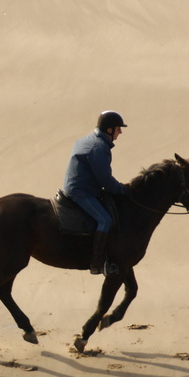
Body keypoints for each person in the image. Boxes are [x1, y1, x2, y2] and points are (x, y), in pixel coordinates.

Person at [63, 110, 129, 275]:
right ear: (109, 130)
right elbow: (104, 179)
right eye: (118, 129)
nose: (120, 132)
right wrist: (122, 189)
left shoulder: (88, 139)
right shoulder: (98, 147)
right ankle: (98, 263)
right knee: (105, 220)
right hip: (81, 191)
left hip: (83, 187)